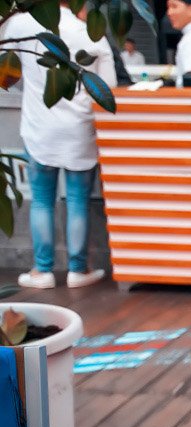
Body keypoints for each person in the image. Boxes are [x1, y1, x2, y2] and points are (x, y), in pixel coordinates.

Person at [2, 1, 116, 289]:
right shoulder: (90, 33)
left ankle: (43, 271)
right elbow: (108, 87)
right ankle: (78, 270)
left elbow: (8, 73)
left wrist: (31, 84)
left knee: (42, 200)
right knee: (77, 199)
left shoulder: (20, 25)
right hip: (80, 129)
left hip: (39, 127)